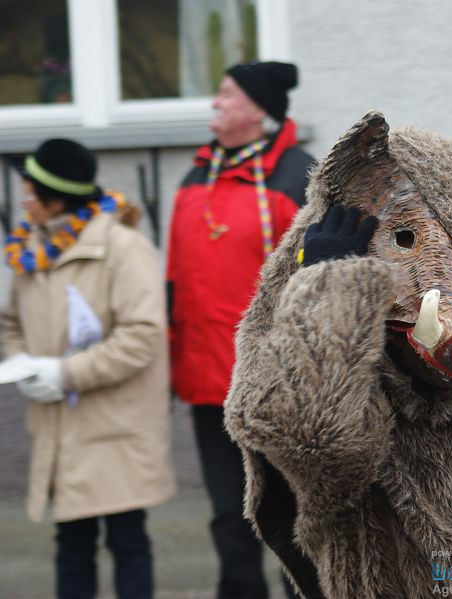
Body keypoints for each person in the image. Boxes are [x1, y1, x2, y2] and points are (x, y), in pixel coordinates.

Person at [1, 138, 175, 599]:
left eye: (31, 193)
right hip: (62, 425)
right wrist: (21, 364)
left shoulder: (124, 247)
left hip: (115, 424)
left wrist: (64, 374)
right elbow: (10, 322)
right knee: (71, 544)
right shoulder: (32, 249)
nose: (24, 201)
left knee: (127, 539)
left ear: (57, 199)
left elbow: (141, 336)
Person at [166, 60, 314, 599]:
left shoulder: (297, 174)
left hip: (278, 387)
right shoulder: (195, 176)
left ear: (259, 110)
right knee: (230, 515)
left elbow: (322, 282)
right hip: (208, 383)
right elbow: (175, 281)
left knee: (293, 517)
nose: (216, 103)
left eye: (227, 94)